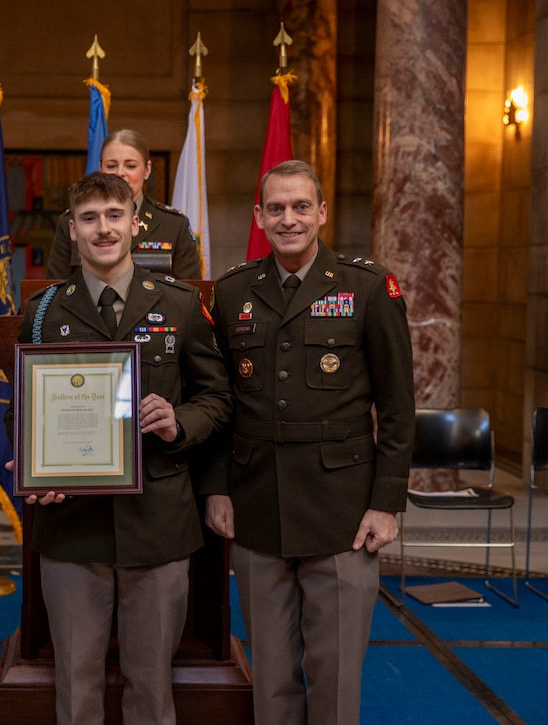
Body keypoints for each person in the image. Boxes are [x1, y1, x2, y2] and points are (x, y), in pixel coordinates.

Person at [203, 160, 415, 724]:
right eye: (276, 208)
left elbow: (397, 407)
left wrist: (386, 502)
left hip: (342, 510)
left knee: (336, 674)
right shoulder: (231, 292)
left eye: (301, 207)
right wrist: (217, 488)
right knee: (270, 676)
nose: (288, 219)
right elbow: (220, 404)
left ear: (321, 212)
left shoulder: (368, 287)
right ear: (259, 216)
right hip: (257, 504)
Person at [19, 172, 231, 724]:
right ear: (72, 228)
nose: (103, 229)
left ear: (135, 223)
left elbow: (218, 398)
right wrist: (30, 462)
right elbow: (22, 409)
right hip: (70, 526)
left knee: (153, 687)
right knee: (76, 686)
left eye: (114, 216)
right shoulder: (44, 312)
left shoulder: (182, 305)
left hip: (158, 519)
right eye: (89, 218)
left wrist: (176, 421)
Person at [44, 129, 202, 280]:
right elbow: (54, 289)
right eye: (111, 166)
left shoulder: (174, 224)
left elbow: (190, 294)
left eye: (130, 166)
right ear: (100, 168)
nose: (120, 173)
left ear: (147, 170)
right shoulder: (71, 221)